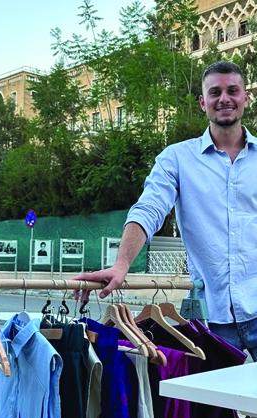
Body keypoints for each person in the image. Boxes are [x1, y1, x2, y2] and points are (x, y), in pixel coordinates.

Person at [75, 60, 257, 361]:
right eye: (215, 92)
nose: (224, 98)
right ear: (202, 102)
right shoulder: (177, 159)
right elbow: (149, 209)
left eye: (232, 91)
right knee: (207, 394)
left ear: (246, 97)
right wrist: (122, 264)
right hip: (211, 318)